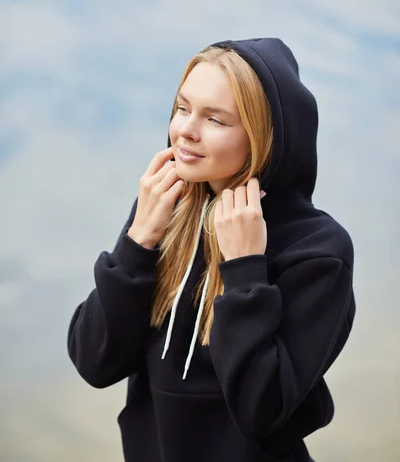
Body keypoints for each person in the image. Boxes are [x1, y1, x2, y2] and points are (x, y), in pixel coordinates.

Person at [67, 38, 355, 462]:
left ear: (264, 138)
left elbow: (261, 410)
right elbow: (95, 363)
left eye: (215, 119)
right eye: (183, 108)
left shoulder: (318, 251)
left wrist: (243, 271)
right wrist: (138, 242)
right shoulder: (167, 208)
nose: (185, 129)